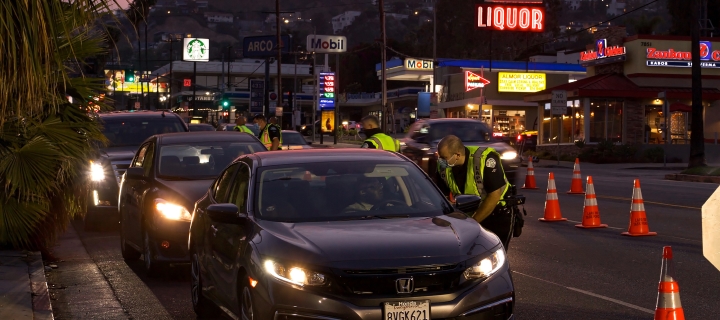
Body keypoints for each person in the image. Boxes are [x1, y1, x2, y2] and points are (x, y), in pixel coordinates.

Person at [434, 135, 515, 250]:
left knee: (495, 253)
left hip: (497, 213)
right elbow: (440, 196)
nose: (440, 161)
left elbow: (494, 196)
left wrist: (472, 223)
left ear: (457, 155)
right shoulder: (444, 167)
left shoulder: (485, 159)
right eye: (439, 157)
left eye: (443, 157)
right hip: (469, 215)